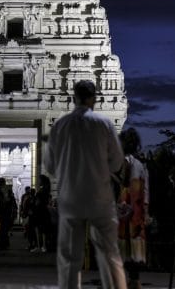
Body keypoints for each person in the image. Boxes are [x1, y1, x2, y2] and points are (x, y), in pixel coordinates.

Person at [44, 80, 126, 289]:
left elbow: (50, 166)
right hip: (100, 198)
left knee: (69, 259)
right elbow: (117, 161)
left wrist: (68, 170)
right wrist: (100, 169)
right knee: (109, 254)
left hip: (71, 199)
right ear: (94, 98)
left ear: (74, 98)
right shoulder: (104, 123)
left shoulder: (60, 125)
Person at [117, 128, 150, 289]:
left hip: (126, 208)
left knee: (124, 245)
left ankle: (126, 279)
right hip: (137, 209)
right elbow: (146, 190)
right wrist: (146, 210)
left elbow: (125, 185)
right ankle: (135, 279)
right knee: (135, 245)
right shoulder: (141, 164)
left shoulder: (126, 162)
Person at [0, 177, 13, 250]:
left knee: (0, 228)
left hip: (1, 211)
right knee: (3, 228)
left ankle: (0, 244)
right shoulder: (6, 191)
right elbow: (11, 201)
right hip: (5, 211)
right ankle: (3, 244)